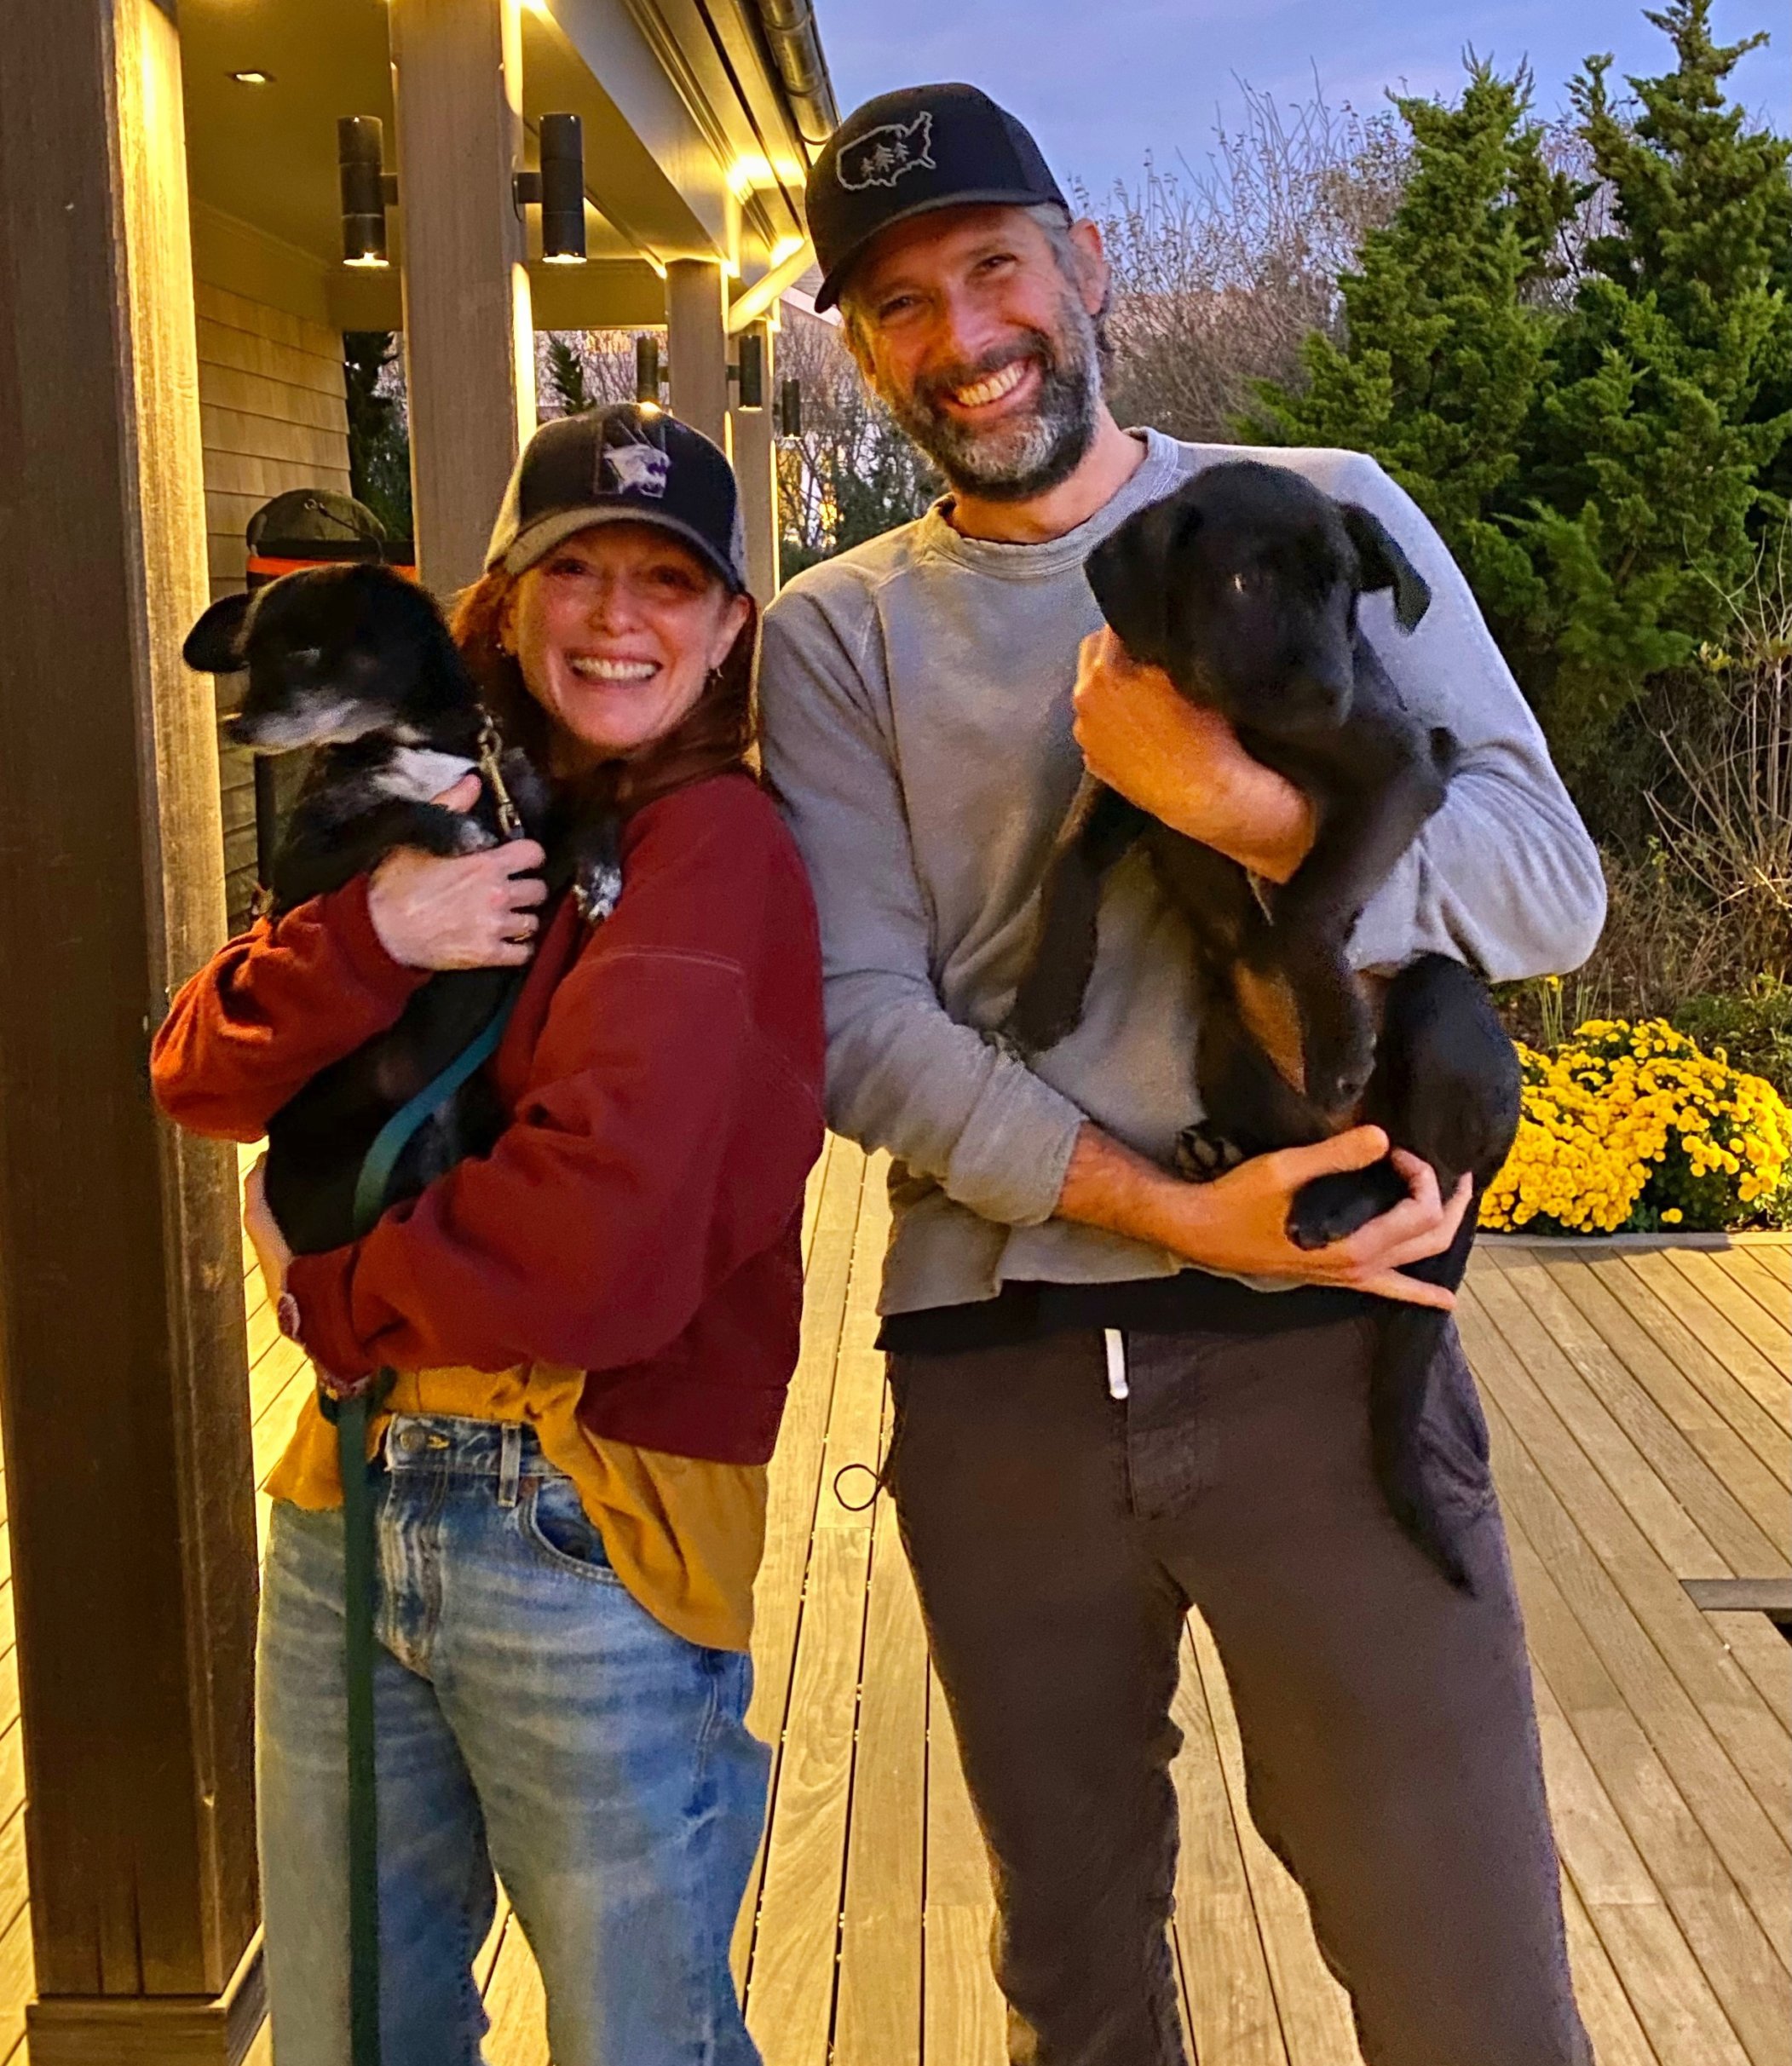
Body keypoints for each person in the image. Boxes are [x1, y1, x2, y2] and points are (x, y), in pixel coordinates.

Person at [758, 83, 1605, 2066]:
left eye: (989, 266)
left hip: (1332, 1352)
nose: (959, 336)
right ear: (859, 347)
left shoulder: (1329, 504)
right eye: (894, 303)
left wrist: (1226, 807)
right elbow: (856, 1021)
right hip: (1006, 1372)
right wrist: (1161, 1204)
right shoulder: (838, 636)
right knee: (1077, 1985)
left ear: (1084, 263)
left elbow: (1545, 880)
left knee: (1463, 1972)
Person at [153, 405, 825, 2066]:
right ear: (507, 597)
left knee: (632, 2036)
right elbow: (198, 1064)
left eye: (664, 582)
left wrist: (330, 1297)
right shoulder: (437, 804)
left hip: (578, 1508)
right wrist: (375, 931)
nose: (614, 618)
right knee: (347, 2025)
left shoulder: (710, 848)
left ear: (729, 622)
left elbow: (599, 1242)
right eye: (573, 569)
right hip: (347, 1492)